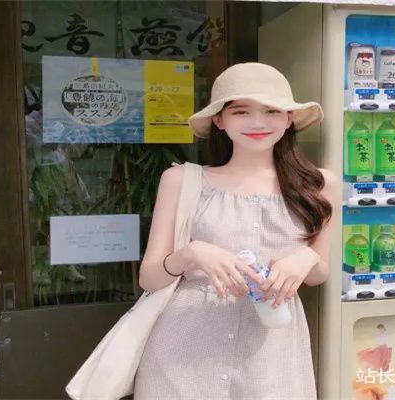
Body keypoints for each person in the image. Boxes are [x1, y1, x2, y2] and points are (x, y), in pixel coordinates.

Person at [134, 62, 339, 399]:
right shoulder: (181, 180)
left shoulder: (321, 185)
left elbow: (319, 275)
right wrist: (191, 254)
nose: (257, 122)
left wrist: (306, 258)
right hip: (183, 352)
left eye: (271, 110)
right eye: (241, 111)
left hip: (272, 352)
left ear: (289, 118)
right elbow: (149, 278)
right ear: (219, 120)